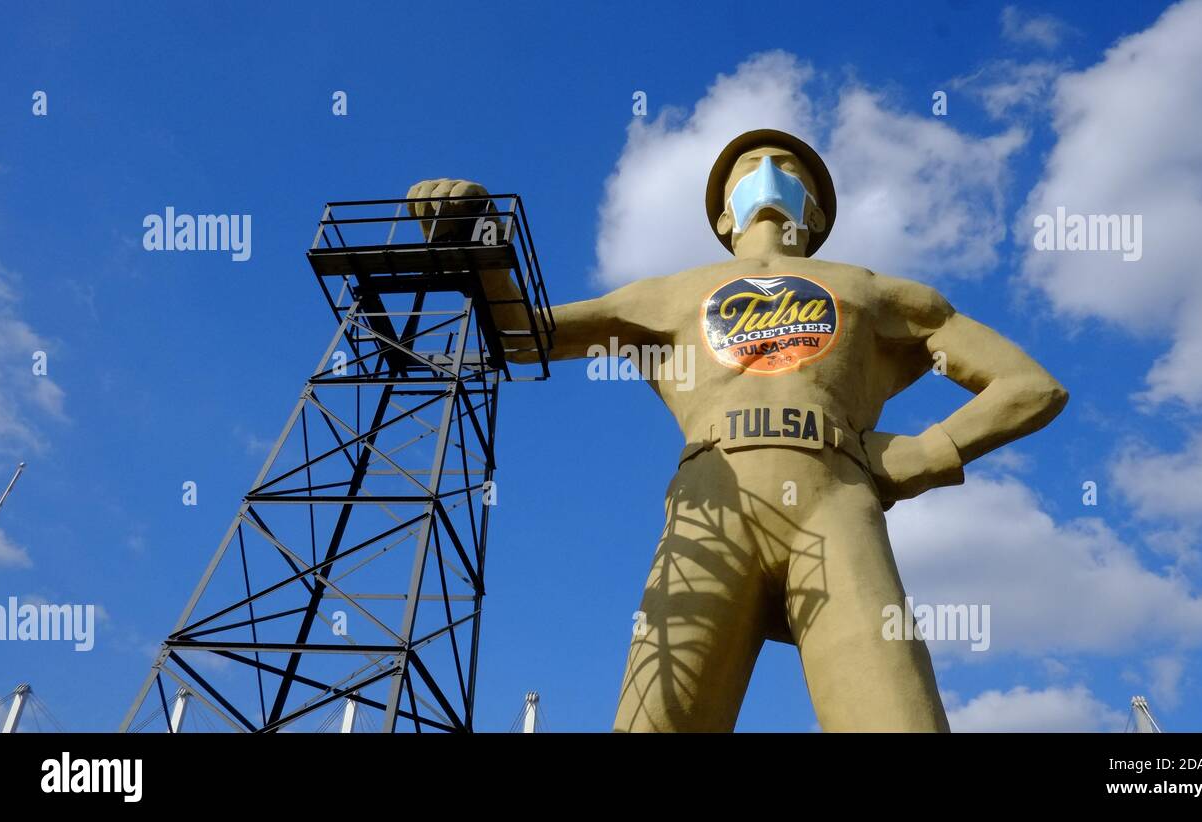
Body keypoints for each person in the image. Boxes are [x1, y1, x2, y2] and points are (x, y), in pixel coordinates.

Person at [407, 128, 1067, 732]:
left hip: (836, 506)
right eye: (753, 166)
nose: (772, 172)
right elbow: (523, 334)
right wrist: (477, 236)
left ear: (814, 212)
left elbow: (1029, 386)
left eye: (788, 167)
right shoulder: (667, 295)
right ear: (725, 215)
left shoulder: (879, 294)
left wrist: (926, 452)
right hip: (711, 505)